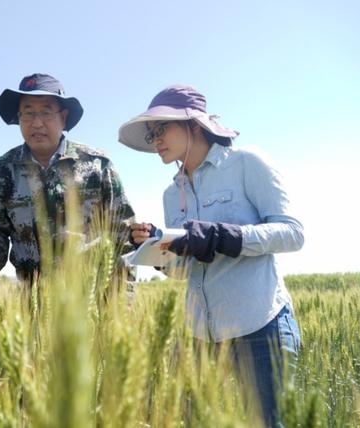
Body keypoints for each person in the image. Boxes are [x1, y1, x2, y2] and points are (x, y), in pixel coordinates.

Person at [119, 85, 304, 426]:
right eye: (151, 133)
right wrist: (157, 249)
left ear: (193, 125)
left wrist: (222, 236)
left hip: (260, 328)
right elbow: (183, 270)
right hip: (200, 335)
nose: (154, 140)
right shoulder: (170, 194)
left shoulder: (246, 163)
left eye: (162, 129)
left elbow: (293, 233)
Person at [0, 73, 135, 288]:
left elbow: (122, 235)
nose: (36, 123)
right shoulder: (3, 170)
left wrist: (123, 302)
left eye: (46, 112)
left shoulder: (97, 166)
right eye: (27, 113)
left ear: (63, 117)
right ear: (18, 118)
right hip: (32, 302)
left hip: (91, 300)